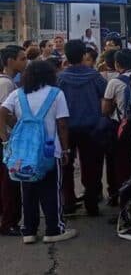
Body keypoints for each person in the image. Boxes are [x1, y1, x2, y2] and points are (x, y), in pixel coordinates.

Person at [0, 60, 77, 243]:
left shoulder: (18, 94)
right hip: (50, 150)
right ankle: (54, 230)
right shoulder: (56, 94)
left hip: (23, 154)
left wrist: (5, 136)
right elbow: (62, 124)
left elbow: (2, 111)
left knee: (28, 191)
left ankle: (29, 231)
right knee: (51, 190)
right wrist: (65, 149)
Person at [58, 40, 108, 216]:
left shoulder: (61, 78)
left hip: (66, 128)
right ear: (83, 55)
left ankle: (68, 202)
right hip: (91, 127)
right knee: (91, 166)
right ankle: (91, 203)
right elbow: (106, 95)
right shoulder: (94, 76)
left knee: (66, 165)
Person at [101, 49, 131, 210]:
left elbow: (105, 110)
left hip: (121, 128)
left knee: (120, 164)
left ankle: (121, 199)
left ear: (116, 64)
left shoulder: (114, 83)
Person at [0, 45, 26, 236]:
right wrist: (6, 136)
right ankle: (9, 222)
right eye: (22, 59)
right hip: (6, 140)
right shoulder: (6, 84)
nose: (25, 62)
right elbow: (3, 113)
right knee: (10, 182)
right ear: (10, 61)